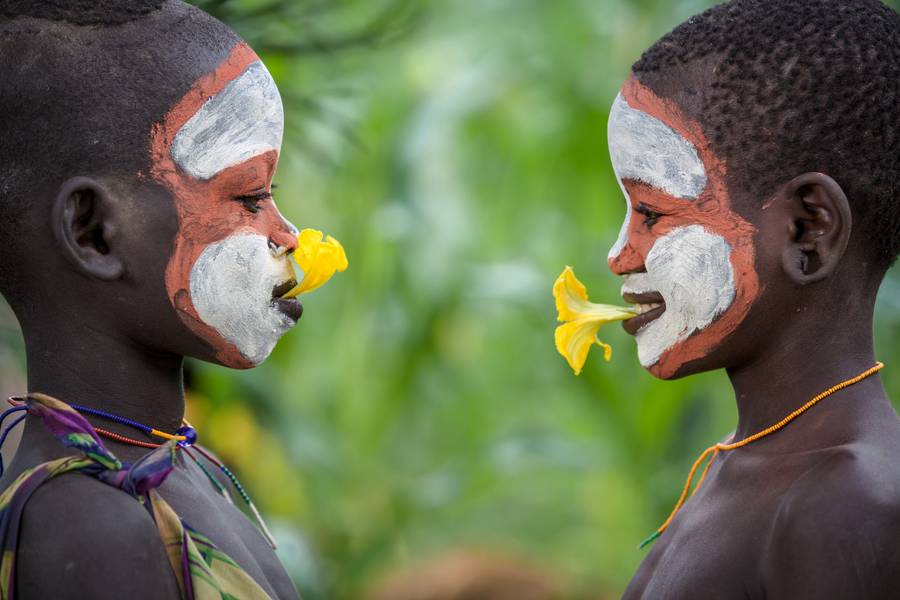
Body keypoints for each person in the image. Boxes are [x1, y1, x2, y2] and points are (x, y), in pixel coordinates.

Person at [0, 1, 306, 598]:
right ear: (95, 232)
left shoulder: (183, 471)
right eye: (249, 198)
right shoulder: (91, 532)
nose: (287, 235)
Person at [606, 0, 900, 597]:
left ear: (807, 230)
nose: (619, 255)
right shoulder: (743, 466)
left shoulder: (845, 505)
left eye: (653, 213)